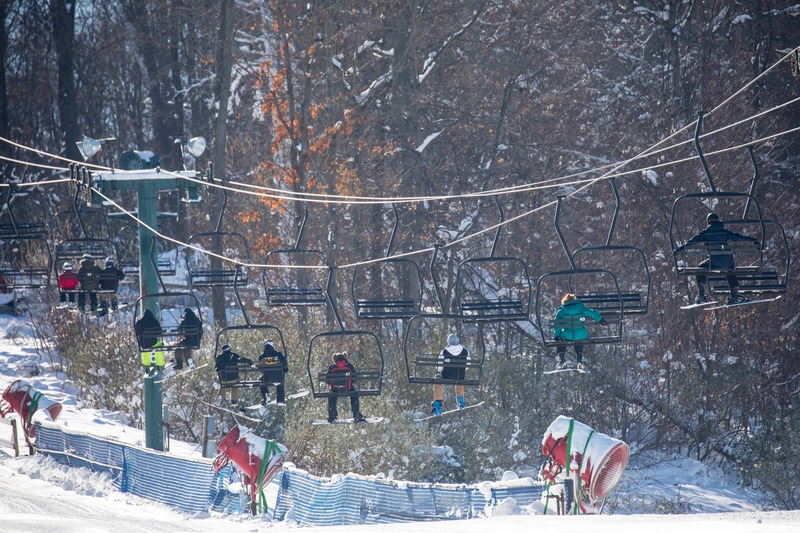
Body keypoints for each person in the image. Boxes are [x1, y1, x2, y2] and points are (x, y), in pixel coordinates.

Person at [675, 213, 758, 304]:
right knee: (730, 270)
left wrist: (679, 249)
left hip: (713, 263)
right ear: (718, 220)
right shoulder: (725, 232)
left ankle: (701, 295)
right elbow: (739, 237)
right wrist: (753, 240)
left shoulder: (705, 233)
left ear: (708, 222)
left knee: (700, 268)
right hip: (728, 263)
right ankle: (734, 295)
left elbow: (692, 242)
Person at [553, 293, 603, 370]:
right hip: (581, 334)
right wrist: (600, 319)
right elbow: (592, 312)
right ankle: (579, 361)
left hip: (568, 335)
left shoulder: (562, 311)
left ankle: (562, 360)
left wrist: (557, 336)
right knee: (579, 339)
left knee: (561, 339)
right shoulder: (581, 307)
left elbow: (557, 325)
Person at [431, 334, 470, 415]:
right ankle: (460, 401)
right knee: (459, 379)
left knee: (436, 379)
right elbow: (468, 364)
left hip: (447, 375)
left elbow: (439, 367)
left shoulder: (444, 351)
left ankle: (437, 403)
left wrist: (440, 372)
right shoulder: (465, 351)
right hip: (459, 375)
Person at [326, 352, 366, 423]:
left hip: (335, 389)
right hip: (347, 388)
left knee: (331, 394)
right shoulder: (349, 366)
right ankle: (356, 413)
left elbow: (327, 380)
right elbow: (355, 379)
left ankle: (332, 415)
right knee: (354, 393)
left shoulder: (332, 367)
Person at [257, 339, 288, 406]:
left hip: (267, 378)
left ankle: (266, 396)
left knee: (260, 380)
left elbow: (260, 368)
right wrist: (285, 369)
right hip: (278, 378)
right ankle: (280, 400)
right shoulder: (278, 354)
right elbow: (284, 364)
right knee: (280, 382)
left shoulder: (262, 357)